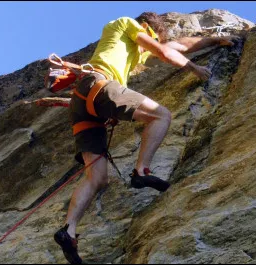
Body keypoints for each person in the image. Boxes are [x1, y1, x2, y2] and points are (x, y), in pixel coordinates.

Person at [54, 12, 237, 264]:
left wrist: (216, 40)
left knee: (96, 177)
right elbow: (164, 51)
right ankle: (141, 171)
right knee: (161, 115)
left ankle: (69, 231)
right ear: (147, 28)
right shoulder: (125, 23)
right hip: (99, 85)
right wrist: (194, 68)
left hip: (82, 104)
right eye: (153, 37)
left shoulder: (132, 48)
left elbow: (180, 46)